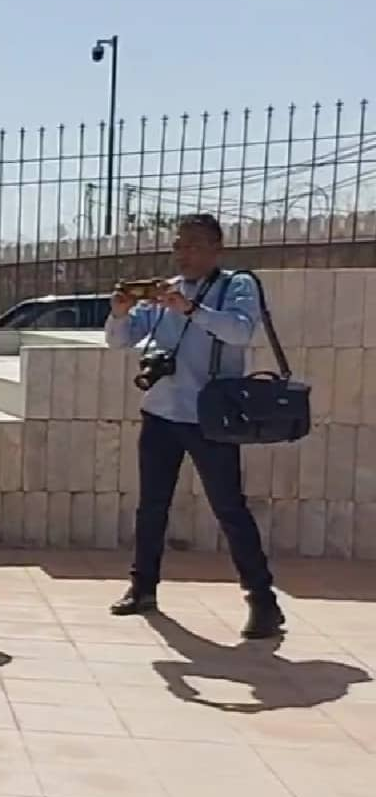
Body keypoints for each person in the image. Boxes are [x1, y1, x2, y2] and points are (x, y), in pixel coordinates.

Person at [103, 213, 280, 638]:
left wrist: (192, 309)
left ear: (216, 249)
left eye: (194, 245)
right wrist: (121, 313)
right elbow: (119, 341)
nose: (183, 253)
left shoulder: (236, 286)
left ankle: (263, 601)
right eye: (179, 245)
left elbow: (239, 333)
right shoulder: (168, 292)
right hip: (162, 412)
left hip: (211, 416)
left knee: (229, 508)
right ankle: (142, 586)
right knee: (152, 506)